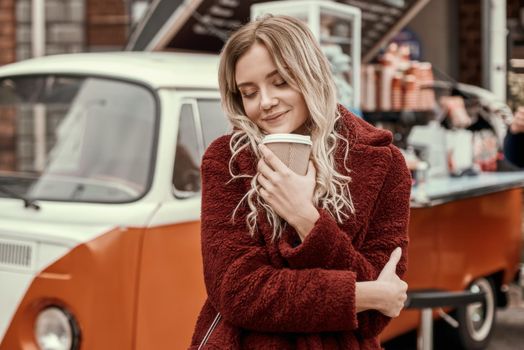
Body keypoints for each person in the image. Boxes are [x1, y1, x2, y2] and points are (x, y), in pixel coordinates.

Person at [190, 15, 411, 349]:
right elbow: (238, 293)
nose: (264, 102)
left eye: (280, 82)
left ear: (311, 75)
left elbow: (376, 317)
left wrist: (305, 218)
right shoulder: (228, 160)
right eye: (249, 92)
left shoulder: (383, 163)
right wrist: (360, 294)